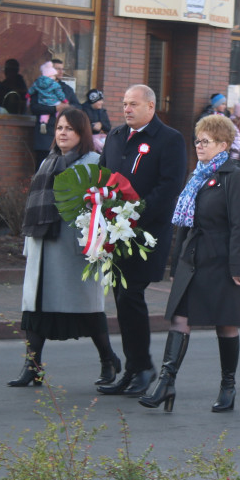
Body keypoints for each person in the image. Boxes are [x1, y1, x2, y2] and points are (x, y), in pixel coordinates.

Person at [139, 115, 240, 413]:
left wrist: (238, 266)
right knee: (180, 319)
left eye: (206, 141)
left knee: (225, 324)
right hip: (194, 259)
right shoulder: (197, 175)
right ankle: (166, 383)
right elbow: (185, 225)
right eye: (198, 140)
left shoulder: (234, 176)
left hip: (222, 259)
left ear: (224, 145)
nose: (199, 146)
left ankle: (228, 386)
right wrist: (176, 263)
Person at [7, 108, 121, 388]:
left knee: (88, 310)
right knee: (35, 310)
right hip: (44, 245)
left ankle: (108, 360)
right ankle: (32, 367)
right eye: (59, 128)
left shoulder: (94, 162)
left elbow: (105, 207)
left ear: (82, 133)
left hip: (75, 250)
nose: (62, 133)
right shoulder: (48, 161)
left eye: (70, 129)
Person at [97, 85, 187, 397]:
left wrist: (135, 216)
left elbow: (169, 186)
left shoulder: (169, 139)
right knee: (123, 299)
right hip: (116, 232)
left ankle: (142, 367)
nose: (127, 109)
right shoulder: (116, 136)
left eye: (133, 104)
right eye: (124, 104)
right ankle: (135, 368)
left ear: (151, 106)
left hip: (146, 234)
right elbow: (102, 176)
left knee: (131, 294)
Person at [29, 63, 77, 168]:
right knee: (43, 166)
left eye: (61, 69)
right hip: (44, 134)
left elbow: (78, 107)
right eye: (57, 69)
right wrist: (55, 108)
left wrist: (67, 107)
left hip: (64, 135)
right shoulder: (39, 86)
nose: (60, 72)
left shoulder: (67, 89)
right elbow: (34, 108)